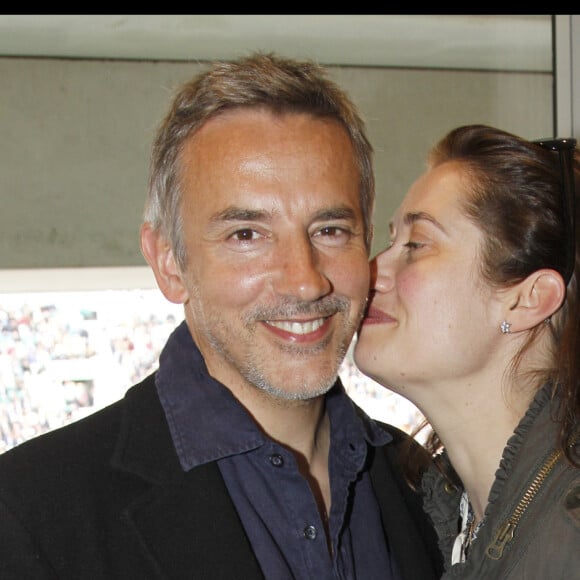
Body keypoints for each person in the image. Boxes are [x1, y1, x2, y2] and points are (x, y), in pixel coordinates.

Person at [0, 52, 442, 579]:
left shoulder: (422, 481)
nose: (304, 279)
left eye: (330, 230)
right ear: (169, 263)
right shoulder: (31, 511)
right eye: (246, 235)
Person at [354, 123, 580, 578]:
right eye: (391, 240)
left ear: (528, 299)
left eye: (416, 245)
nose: (371, 270)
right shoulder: (437, 519)